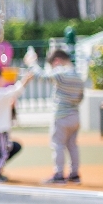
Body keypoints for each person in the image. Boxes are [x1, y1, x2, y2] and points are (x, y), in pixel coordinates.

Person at [33, 48, 85, 184]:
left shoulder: (61, 73)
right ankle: (74, 174)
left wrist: (32, 63)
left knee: (58, 145)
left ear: (57, 61)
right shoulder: (78, 75)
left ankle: (59, 174)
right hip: (75, 116)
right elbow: (80, 97)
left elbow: (41, 76)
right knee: (72, 145)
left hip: (61, 116)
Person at [0, 65, 34, 181]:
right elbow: (15, 91)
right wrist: (25, 80)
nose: (3, 79)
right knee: (2, 152)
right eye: (0, 77)